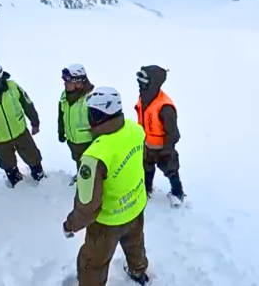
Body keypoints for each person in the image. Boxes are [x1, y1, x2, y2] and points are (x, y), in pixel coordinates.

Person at [62, 87, 150, 286]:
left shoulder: (94, 157)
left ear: (96, 115)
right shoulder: (135, 129)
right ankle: (138, 271)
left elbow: (87, 206)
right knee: (135, 243)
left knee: (92, 262)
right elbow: (141, 159)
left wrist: (71, 225)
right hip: (136, 207)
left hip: (108, 221)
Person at [135, 65, 186, 206]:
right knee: (146, 168)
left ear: (153, 82)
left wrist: (167, 149)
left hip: (163, 147)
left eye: (143, 80)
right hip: (146, 145)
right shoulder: (143, 98)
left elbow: (173, 133)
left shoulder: (165, 106)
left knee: (171, 169)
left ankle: (177, 193)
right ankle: (146, 189)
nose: (139, 83)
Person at [57, 64, 95, 185]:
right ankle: (81, 175)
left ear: (79, 83)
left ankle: (90, 183)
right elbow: (61, 116)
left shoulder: (91, 99)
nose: (64, 84)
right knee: (78, 160)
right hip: (73, 141)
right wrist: (61, 131)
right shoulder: (64, 96)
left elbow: (99, 124)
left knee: (92, 164)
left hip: (88, 142)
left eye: (68, 81)